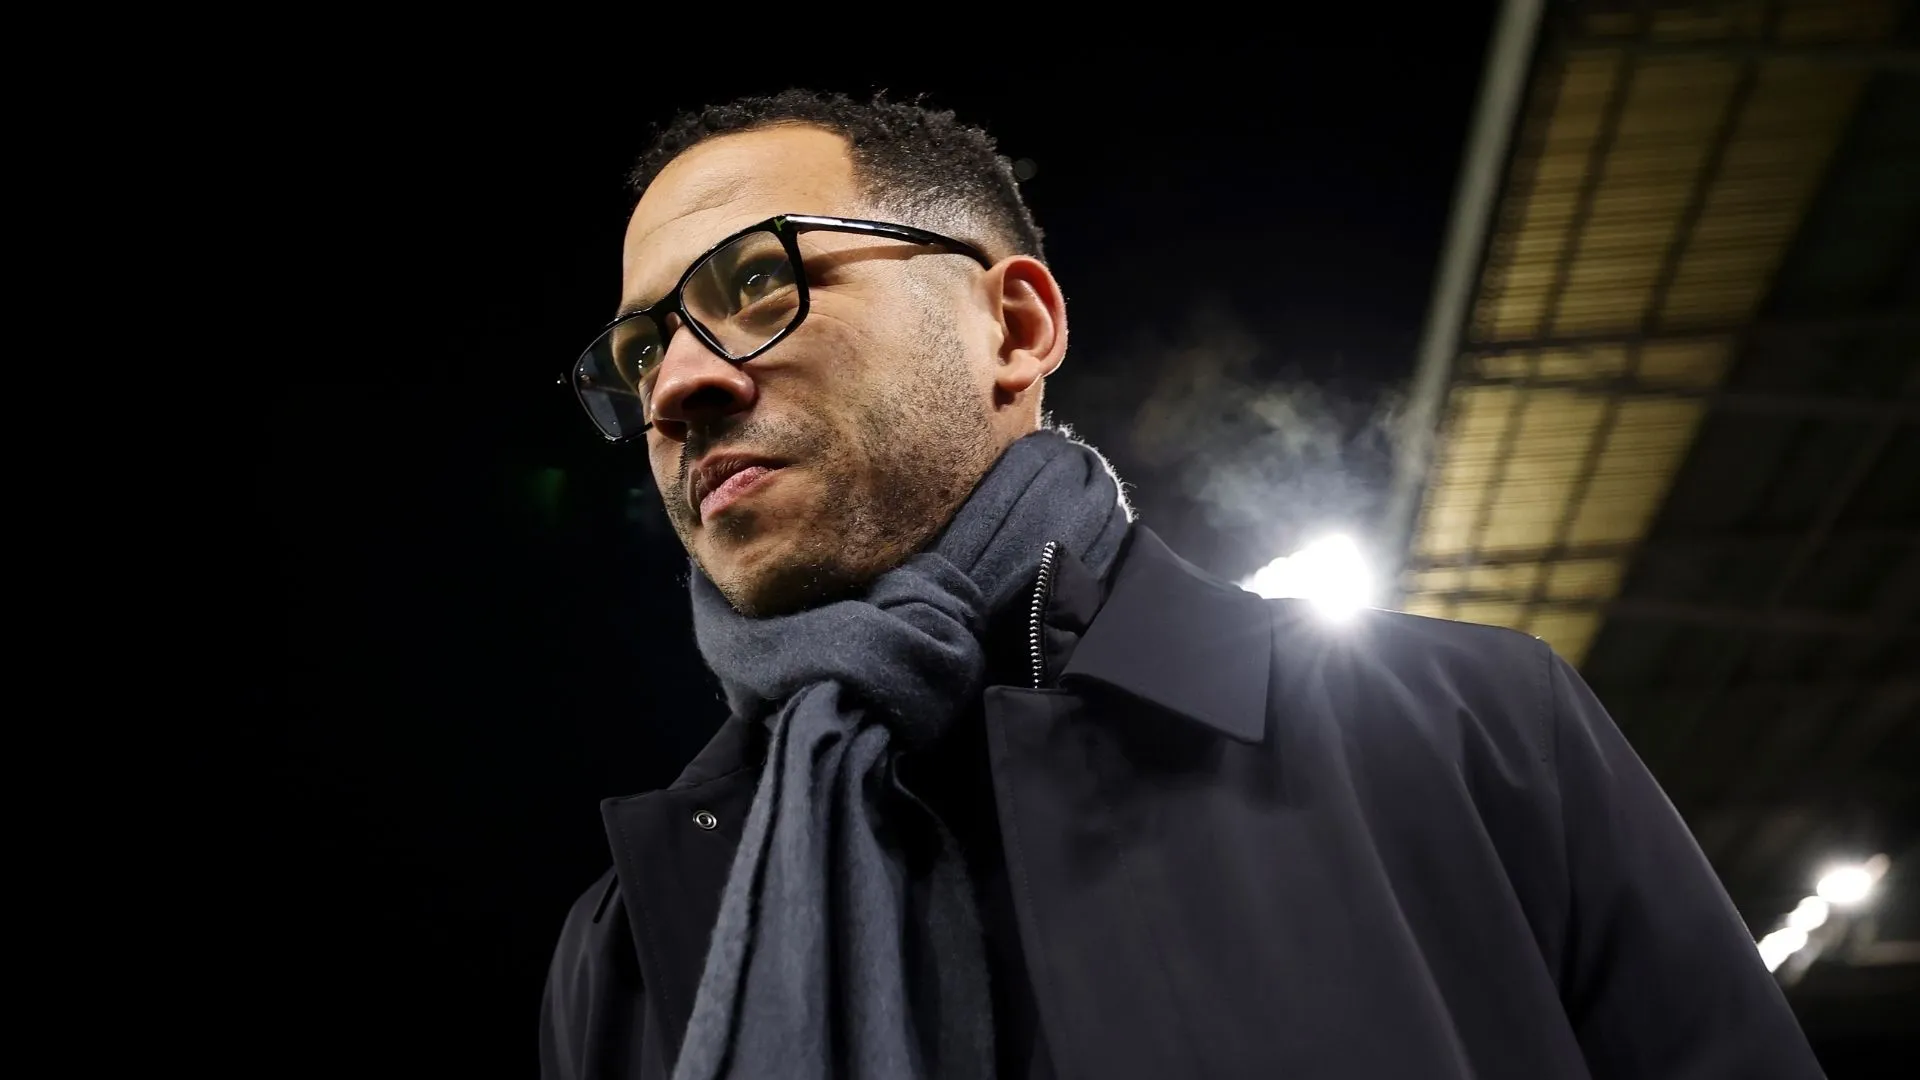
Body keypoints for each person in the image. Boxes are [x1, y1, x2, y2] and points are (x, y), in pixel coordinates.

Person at [540, 90, 1821, 1080]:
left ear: (1017, 327)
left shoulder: (1466, 732)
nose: (676, 389)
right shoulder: (632, 939)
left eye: (759, 280)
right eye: (641, 349)